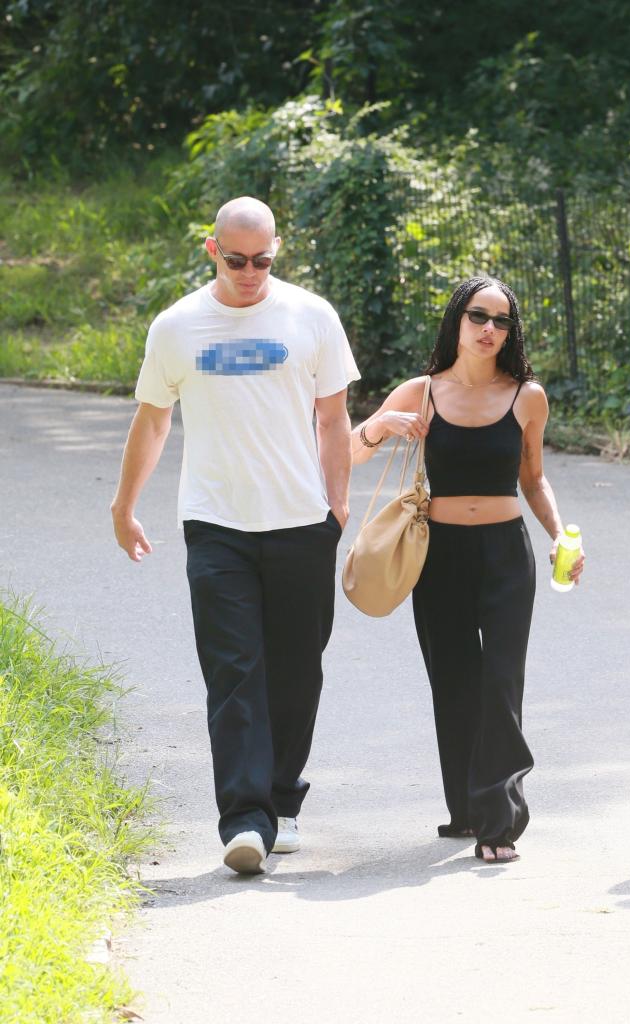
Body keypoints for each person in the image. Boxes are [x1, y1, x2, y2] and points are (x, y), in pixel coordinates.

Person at [111, 196, 360, 874]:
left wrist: (336, 507)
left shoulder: (311, 317)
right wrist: (123, 503)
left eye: (263, 260)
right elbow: (153, 420)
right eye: (236, 259)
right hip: (215, 525)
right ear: (211, 250)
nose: (250, 272)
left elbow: (333, 419)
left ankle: (283, 799)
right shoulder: (177, 326)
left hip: (301, 524)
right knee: (233, 673)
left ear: (277, 251)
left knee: (297, 673)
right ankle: (244, 820)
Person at [351, 276, 584, 863]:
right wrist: (383, 426)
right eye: (478, 316)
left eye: (501, 321)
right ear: (457, 319)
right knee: (454, 683)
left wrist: (560, 535)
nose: (489, 329)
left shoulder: (527, 396)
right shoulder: (421, 390)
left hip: (507, 554)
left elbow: (533, 478)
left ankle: (498, 821)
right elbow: (349, 451)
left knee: (501, 683)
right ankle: (466, 808)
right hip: (439, 555)